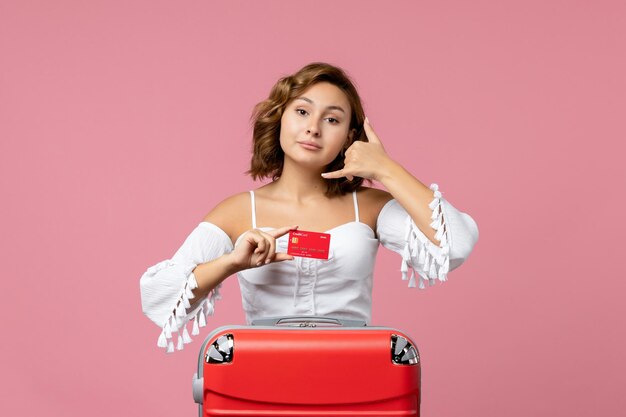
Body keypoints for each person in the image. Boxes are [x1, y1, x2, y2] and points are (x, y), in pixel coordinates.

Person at [139, 62, 479, 353]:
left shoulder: (370, 207)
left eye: (332, 120)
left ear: (349, 137)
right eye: (302, 111)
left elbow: (456, 244)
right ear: (281, 118)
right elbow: (159, 295)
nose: (313, 128)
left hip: (354, 375)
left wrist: (386, 168)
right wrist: (231, 263)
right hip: (262, 376)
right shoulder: (240, 210)